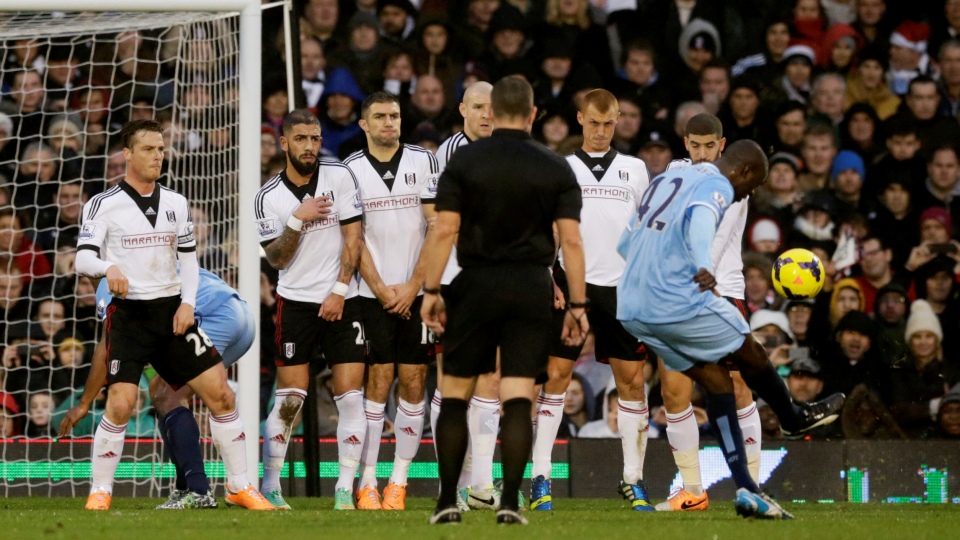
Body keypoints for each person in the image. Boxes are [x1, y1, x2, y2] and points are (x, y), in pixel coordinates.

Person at [616, 139, 845, 519]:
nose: (745, 194)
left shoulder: (665, 180)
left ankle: (747, 489)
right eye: (750, 186)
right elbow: (704, 217)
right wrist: (702, 265)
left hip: (631, 306)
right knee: (749, 349)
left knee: (718, 381)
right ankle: (793, 417)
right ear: (743, 171)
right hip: (675, 298)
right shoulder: (717, 182)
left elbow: (626, 241)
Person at [73, 119, 271, 511]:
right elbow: (82, 256)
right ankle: (100, 490)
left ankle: (240, 486)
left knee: (222, 395)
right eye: (148, 149)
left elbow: (190, 262)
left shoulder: (176, 203)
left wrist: (186, 303)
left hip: (172, 312)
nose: (157, 156)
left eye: (161, 149)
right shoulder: (102, 204)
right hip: (129, 317)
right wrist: (107, 268)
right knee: (122, 404)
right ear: (127, 154)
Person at [421, 76, 588, 525]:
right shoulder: (556, 166)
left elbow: (443, 229)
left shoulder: (465, 161)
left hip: (475, 283)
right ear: (533, 114)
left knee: (454, 396)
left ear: (492, 112)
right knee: (517, 397)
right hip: (532, 285)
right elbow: (570, 242)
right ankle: (511, 502)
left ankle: (446, 503)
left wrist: (432, 290)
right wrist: (577, 305)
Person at [530, 88, 652, 512]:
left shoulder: (636, 170)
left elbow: (646, 231)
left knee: (632, 383)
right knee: (554, 379)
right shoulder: (559, 167)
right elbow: (546, 228)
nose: (601, 132)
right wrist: (550, 278)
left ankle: (633, 479)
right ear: (580, 119)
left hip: (623, 287)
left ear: (618, 120)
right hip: (570, 282)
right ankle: (541, 477)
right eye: (594, 123)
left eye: (609, 123)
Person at [58, 267, 256, 509]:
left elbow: (106, 346)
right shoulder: (146, 254)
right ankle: (191, 488)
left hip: (211, 317)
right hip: (240, 315)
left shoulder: (113, 280)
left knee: (165, 395)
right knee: (163, 390)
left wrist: (84, 403)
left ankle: (198, 490)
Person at [253, 108, 364, 510]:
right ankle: (270, 485)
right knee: (291, 399)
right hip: (295, 303)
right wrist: (297, 220)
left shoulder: (339, 177)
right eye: (301, 138)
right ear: (284, 143)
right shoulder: (267, 197)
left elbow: (354, 237)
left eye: (315, 138)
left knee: (350, 397)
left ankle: (344, 490)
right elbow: (278, 260)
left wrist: (339, 289)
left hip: (344, 300)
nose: (309, 146)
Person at [655, 114, 764, 513]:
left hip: (723, 292)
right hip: (678, 294)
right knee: (674, 390)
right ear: (685, 144)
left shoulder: (735, 182)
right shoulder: (674, 172)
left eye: (709, 145)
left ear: (722, 144)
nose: (702, 153)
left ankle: (753, 486)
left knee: (735, 387)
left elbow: (713, 242)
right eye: (695, 145)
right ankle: (693, 491)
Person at [344, 92, 439, 511]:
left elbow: (436, 227)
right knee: (377, 382)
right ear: (363, 124)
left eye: (395, 116)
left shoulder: (424, 162)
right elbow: (352, 237)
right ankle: (367, 480)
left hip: (416, 294)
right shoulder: (349, 170)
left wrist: (414, 285)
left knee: (415, 381)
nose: (389, 122)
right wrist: (383, 288)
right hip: (370, 293)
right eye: (380, 116)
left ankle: (398, 482)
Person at [427, 81, 503, 511]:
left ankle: (480, 485)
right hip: (456, 281)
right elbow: (442, 223)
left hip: (494, 281)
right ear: (462, 110)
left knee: (490, 378)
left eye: (491, 107)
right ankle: (453, 483)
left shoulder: (506, 150)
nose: (485, 114)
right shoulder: (449, 155)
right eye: (477, 107)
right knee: (453, 381)